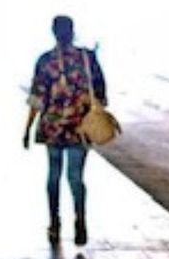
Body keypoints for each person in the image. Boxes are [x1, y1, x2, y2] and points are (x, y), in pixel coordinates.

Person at [22, 14, 107, 246]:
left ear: (53, 32)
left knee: (54, 175)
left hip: (52, 127)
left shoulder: (46, 61)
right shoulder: (87, 59)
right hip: (81, 128)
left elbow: (37, 99)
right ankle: (80, 221)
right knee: (76, 177)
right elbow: (101, 92)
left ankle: (54, 224)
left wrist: (27, 129)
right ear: (73, 31)